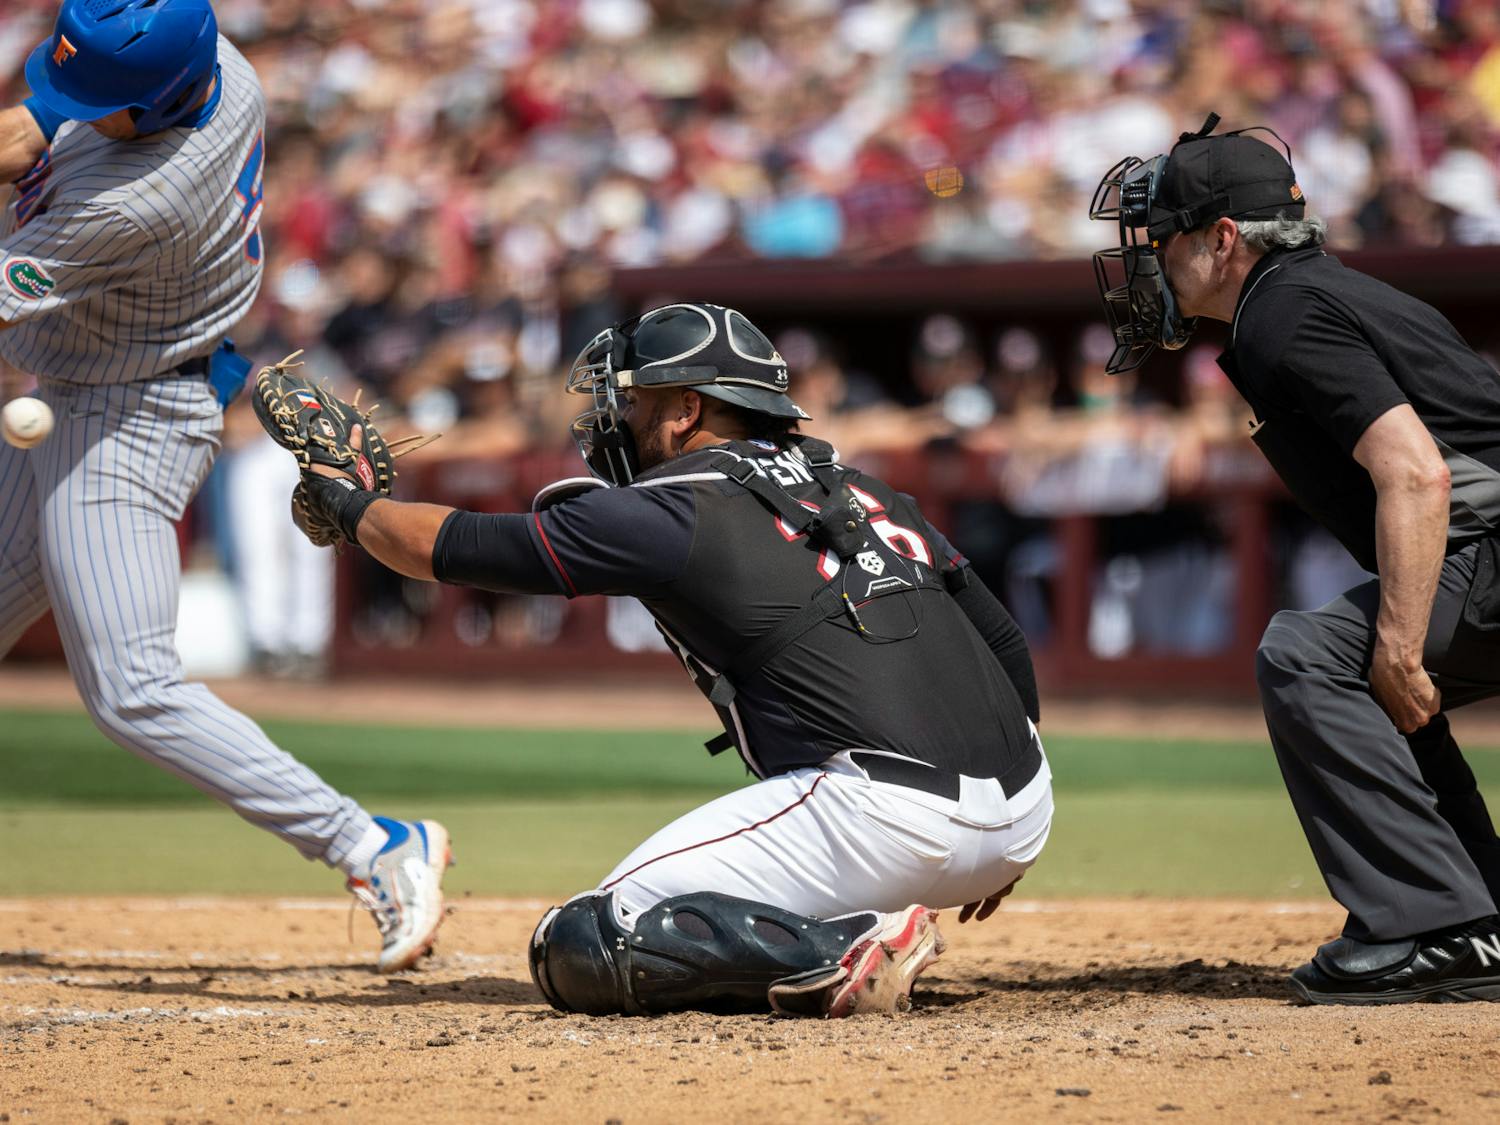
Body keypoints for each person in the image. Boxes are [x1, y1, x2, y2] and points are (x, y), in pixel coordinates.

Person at [285, 301, 1054, 1017]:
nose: (617, 419)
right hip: (1023, 808)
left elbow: (453, 547)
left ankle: (842, 947)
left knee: (587, 938)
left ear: (687, 410)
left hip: (885, 822)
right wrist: (1003, 826)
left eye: (636, 402)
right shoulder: (861, 486)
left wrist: (347, 505)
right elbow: (1008, 645)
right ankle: (880, 904)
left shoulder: (672, 505)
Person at [0, 0, 449, 971]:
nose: (73, 105)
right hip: (85, 385)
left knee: (131, 689)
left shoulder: (139, 199)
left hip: (129, 418)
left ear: (157, 103)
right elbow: (35, 124)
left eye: (100, 99)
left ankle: (375, 845)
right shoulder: (210, 63)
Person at [1091, 115, 1500, 1004]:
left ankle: (1439, 925)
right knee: (1366, 662)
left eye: (1162, 239)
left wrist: (1397, 642)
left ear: (1223, 238)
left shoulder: (1282, 309)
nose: (1148, 259)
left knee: (1312, 655)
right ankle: (1476, 907)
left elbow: (1417, 474)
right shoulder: (1316, 292)